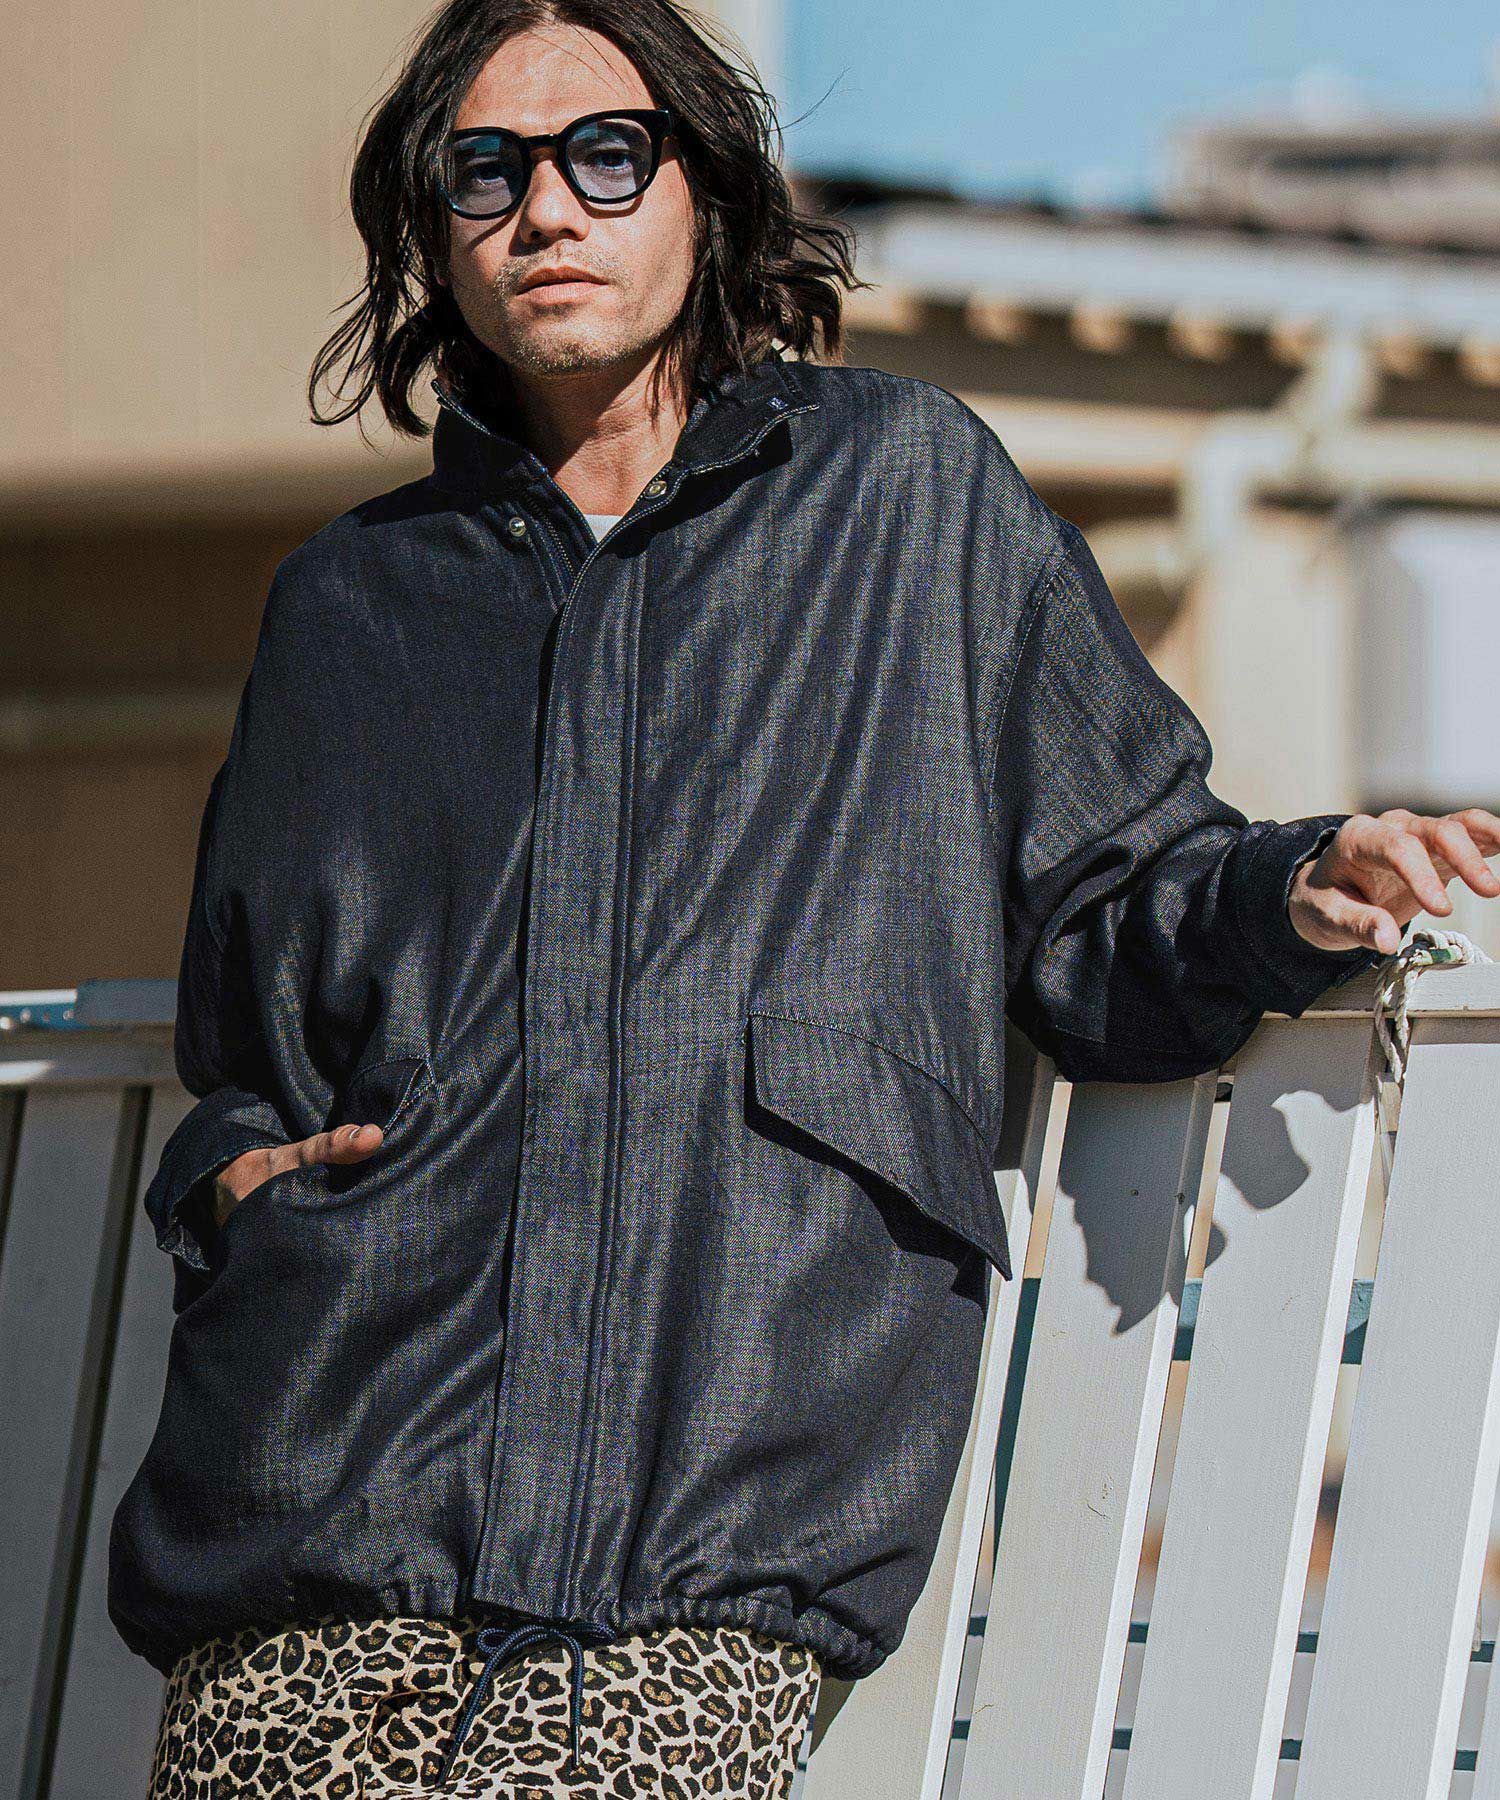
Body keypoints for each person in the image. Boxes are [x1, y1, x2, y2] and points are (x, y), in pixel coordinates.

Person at [109, 0, 1500, 1794]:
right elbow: (247, 1048)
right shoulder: (346, 608)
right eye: (488, 169)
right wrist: (238, 1178)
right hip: (320, 1520)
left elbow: (1113, 892)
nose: (549, 209)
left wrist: (1294, 887)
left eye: (608, 156)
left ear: (705, 193)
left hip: (704, 1557)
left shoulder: (904, 503)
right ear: (432, 234)